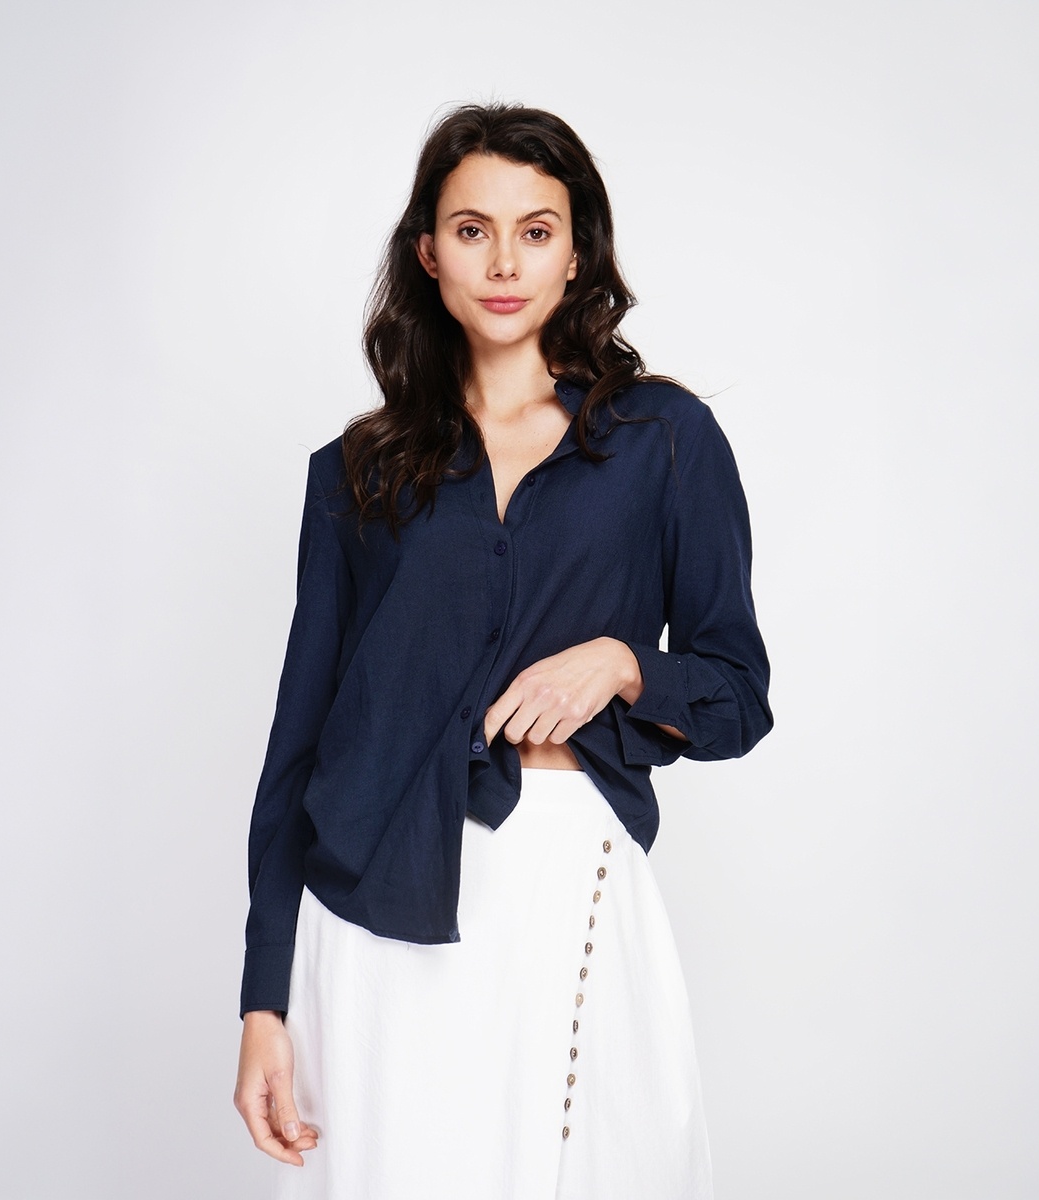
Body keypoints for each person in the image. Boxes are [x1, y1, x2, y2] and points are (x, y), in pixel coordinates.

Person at [233, 102, 772, 1200]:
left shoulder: (663, 441)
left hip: (565, 867)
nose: (504, 262)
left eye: (536, 230)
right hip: (371, 900)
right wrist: (262, 1003)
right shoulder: (354, 472)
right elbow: (299, 744)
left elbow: (737, 696)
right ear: (429, 253)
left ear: (578, 253)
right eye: (472, 230)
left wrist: (624, 663)